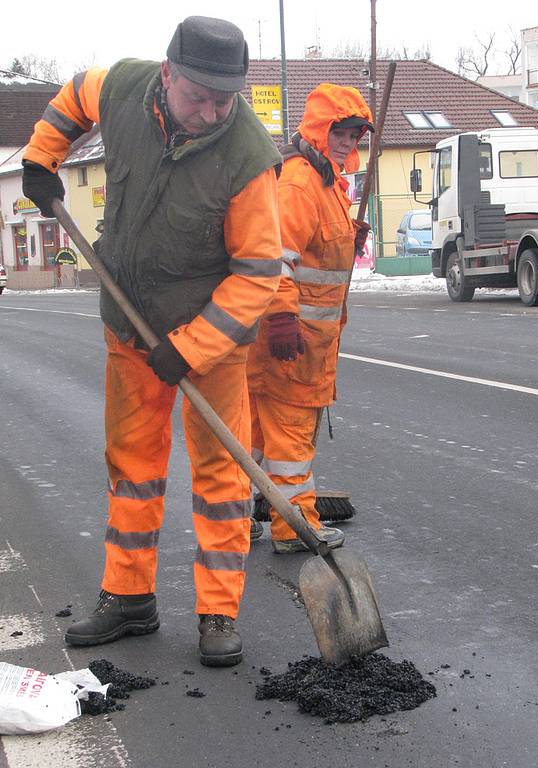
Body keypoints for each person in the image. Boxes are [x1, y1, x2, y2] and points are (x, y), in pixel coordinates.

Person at [22, 16, 283, 667]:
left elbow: (257, 274)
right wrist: (41, 155)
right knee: (132, 468)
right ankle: (129, 597)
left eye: (225, 98)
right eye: (199, 95)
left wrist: (191, 347)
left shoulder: (249, 158)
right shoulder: (125, 88)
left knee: (221, 478)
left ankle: (219, 612)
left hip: (210, 345)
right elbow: (76, 92)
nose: (212, 111)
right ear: (168, 77)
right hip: (128, 326)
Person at [246, 83, 373, 553]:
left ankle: (236, 519)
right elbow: (275, 258)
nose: (348, 140)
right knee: (292, 439)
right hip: (292, 341)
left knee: (257, 438)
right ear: (319, 129)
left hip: (301, 341)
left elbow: (314, 250)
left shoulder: (326, 181)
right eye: (340, 130)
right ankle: (296, 526)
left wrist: (346, 239)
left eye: (356, 133)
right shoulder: (301, 183)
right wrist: (281, 318)